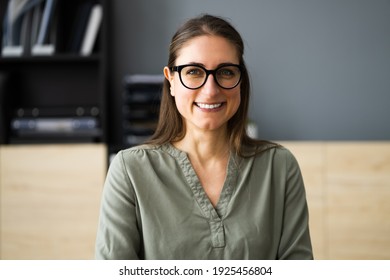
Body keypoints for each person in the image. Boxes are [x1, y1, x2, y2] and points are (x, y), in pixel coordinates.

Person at [95, 14, 313, 260]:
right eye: (194, 72)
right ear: (171, 80)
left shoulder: (280, 167)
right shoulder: (129, 170)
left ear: (241, 80)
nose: (211, 90)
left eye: (226, 72)